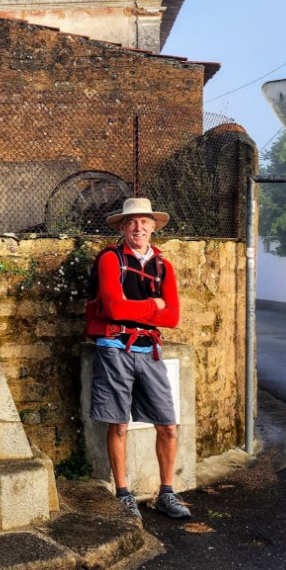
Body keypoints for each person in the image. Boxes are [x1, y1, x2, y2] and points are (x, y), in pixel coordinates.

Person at [85, 197, 191, 520]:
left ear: (153, 227)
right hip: (114, 346)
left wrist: (148, 311)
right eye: (131, 222)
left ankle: (166, 493)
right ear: (122, 227)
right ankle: (122, 493)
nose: (138, 227)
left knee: (169, 426)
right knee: (119, 424)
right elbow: (115, 308)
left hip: (149, 349)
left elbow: (173, 317)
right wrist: (152, 306)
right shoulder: (109, 260)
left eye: (145, 221)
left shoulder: (164, 266)